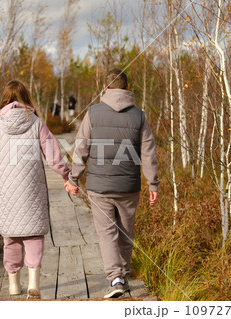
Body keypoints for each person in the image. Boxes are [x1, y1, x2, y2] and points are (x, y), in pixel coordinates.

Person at [64, 68, 160, 298]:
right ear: (127, 88)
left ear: (105, 89)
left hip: (99, 187)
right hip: (129, 187)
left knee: (107, 233)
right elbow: (149, 152)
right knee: (126, 232)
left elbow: (81, 148)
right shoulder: (139, 115)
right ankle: (123, 275)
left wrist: (73, 178)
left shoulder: (93, 113)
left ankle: (115, 278)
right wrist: (152, 184)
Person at [0, 80, 70, 299]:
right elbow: (53, 155)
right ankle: (33, 286)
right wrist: (66, 174)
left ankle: (12, 286)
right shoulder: (37, 123)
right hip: (32, 192)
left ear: (5, 101)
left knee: (10, 238)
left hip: (7, 195)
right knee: (34, 235)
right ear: (26, 98)